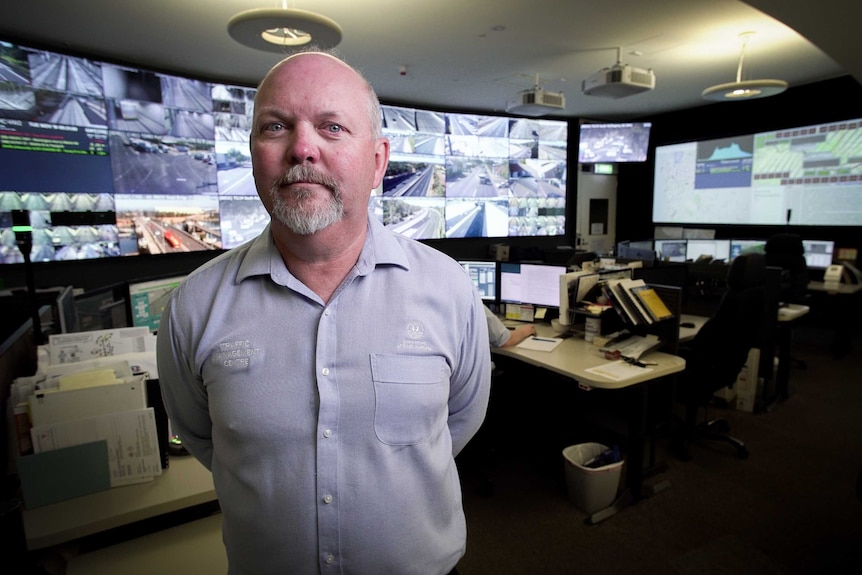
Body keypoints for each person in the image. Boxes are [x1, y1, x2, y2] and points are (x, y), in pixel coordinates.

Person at [156, 51, 491, 575]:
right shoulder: (194, 307)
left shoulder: (449, 288)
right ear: (252, 153)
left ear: (378, 161)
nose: (302, 148)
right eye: (275, 127)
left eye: (332, 127)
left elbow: (460, 421)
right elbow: (204, 438)